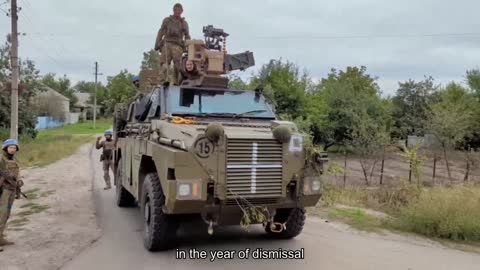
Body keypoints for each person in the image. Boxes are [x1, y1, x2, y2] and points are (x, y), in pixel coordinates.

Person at [154, 3, 191, 85]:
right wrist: (157, 44)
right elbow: (161, 32)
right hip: (167, 44)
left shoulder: (184, 23)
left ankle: (176, 82)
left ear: (182, 11)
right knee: (164, 64)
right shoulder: (167, 20)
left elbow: (187, 36)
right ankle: (161, 82)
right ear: (173, 10)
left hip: (178, 45)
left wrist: (187, 47)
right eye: (176, 10)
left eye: (179, 10)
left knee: (177, 65)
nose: (177, 12)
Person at [0, 139, 23, 251]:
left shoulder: (14, 159)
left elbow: (17, 173)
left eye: (14, 148)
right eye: (10, 147)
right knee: (2, 214)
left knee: (7, 214)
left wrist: (19, 181)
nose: (13, 149)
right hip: (3, 190)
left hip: (12, 189)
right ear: (5, 148)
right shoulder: (1, 159)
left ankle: (1, 238)